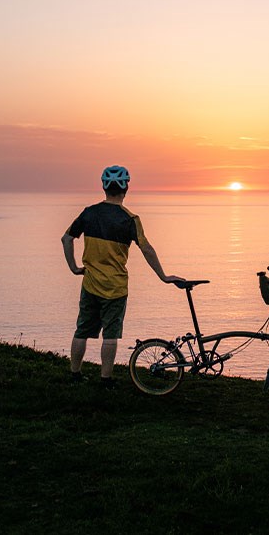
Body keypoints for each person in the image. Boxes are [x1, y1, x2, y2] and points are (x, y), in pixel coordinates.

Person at [61, 165, 184, 388]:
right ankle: (105, 380)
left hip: (90, 283)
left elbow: (66, 239)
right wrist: (163, 276)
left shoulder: (89, 212)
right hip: (116, 287)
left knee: (82, 331)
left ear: (104, 187)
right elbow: (146, 249)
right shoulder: (130, 219)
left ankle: (75, 375)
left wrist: (74, 267)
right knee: (110, 335)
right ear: (126, 187)